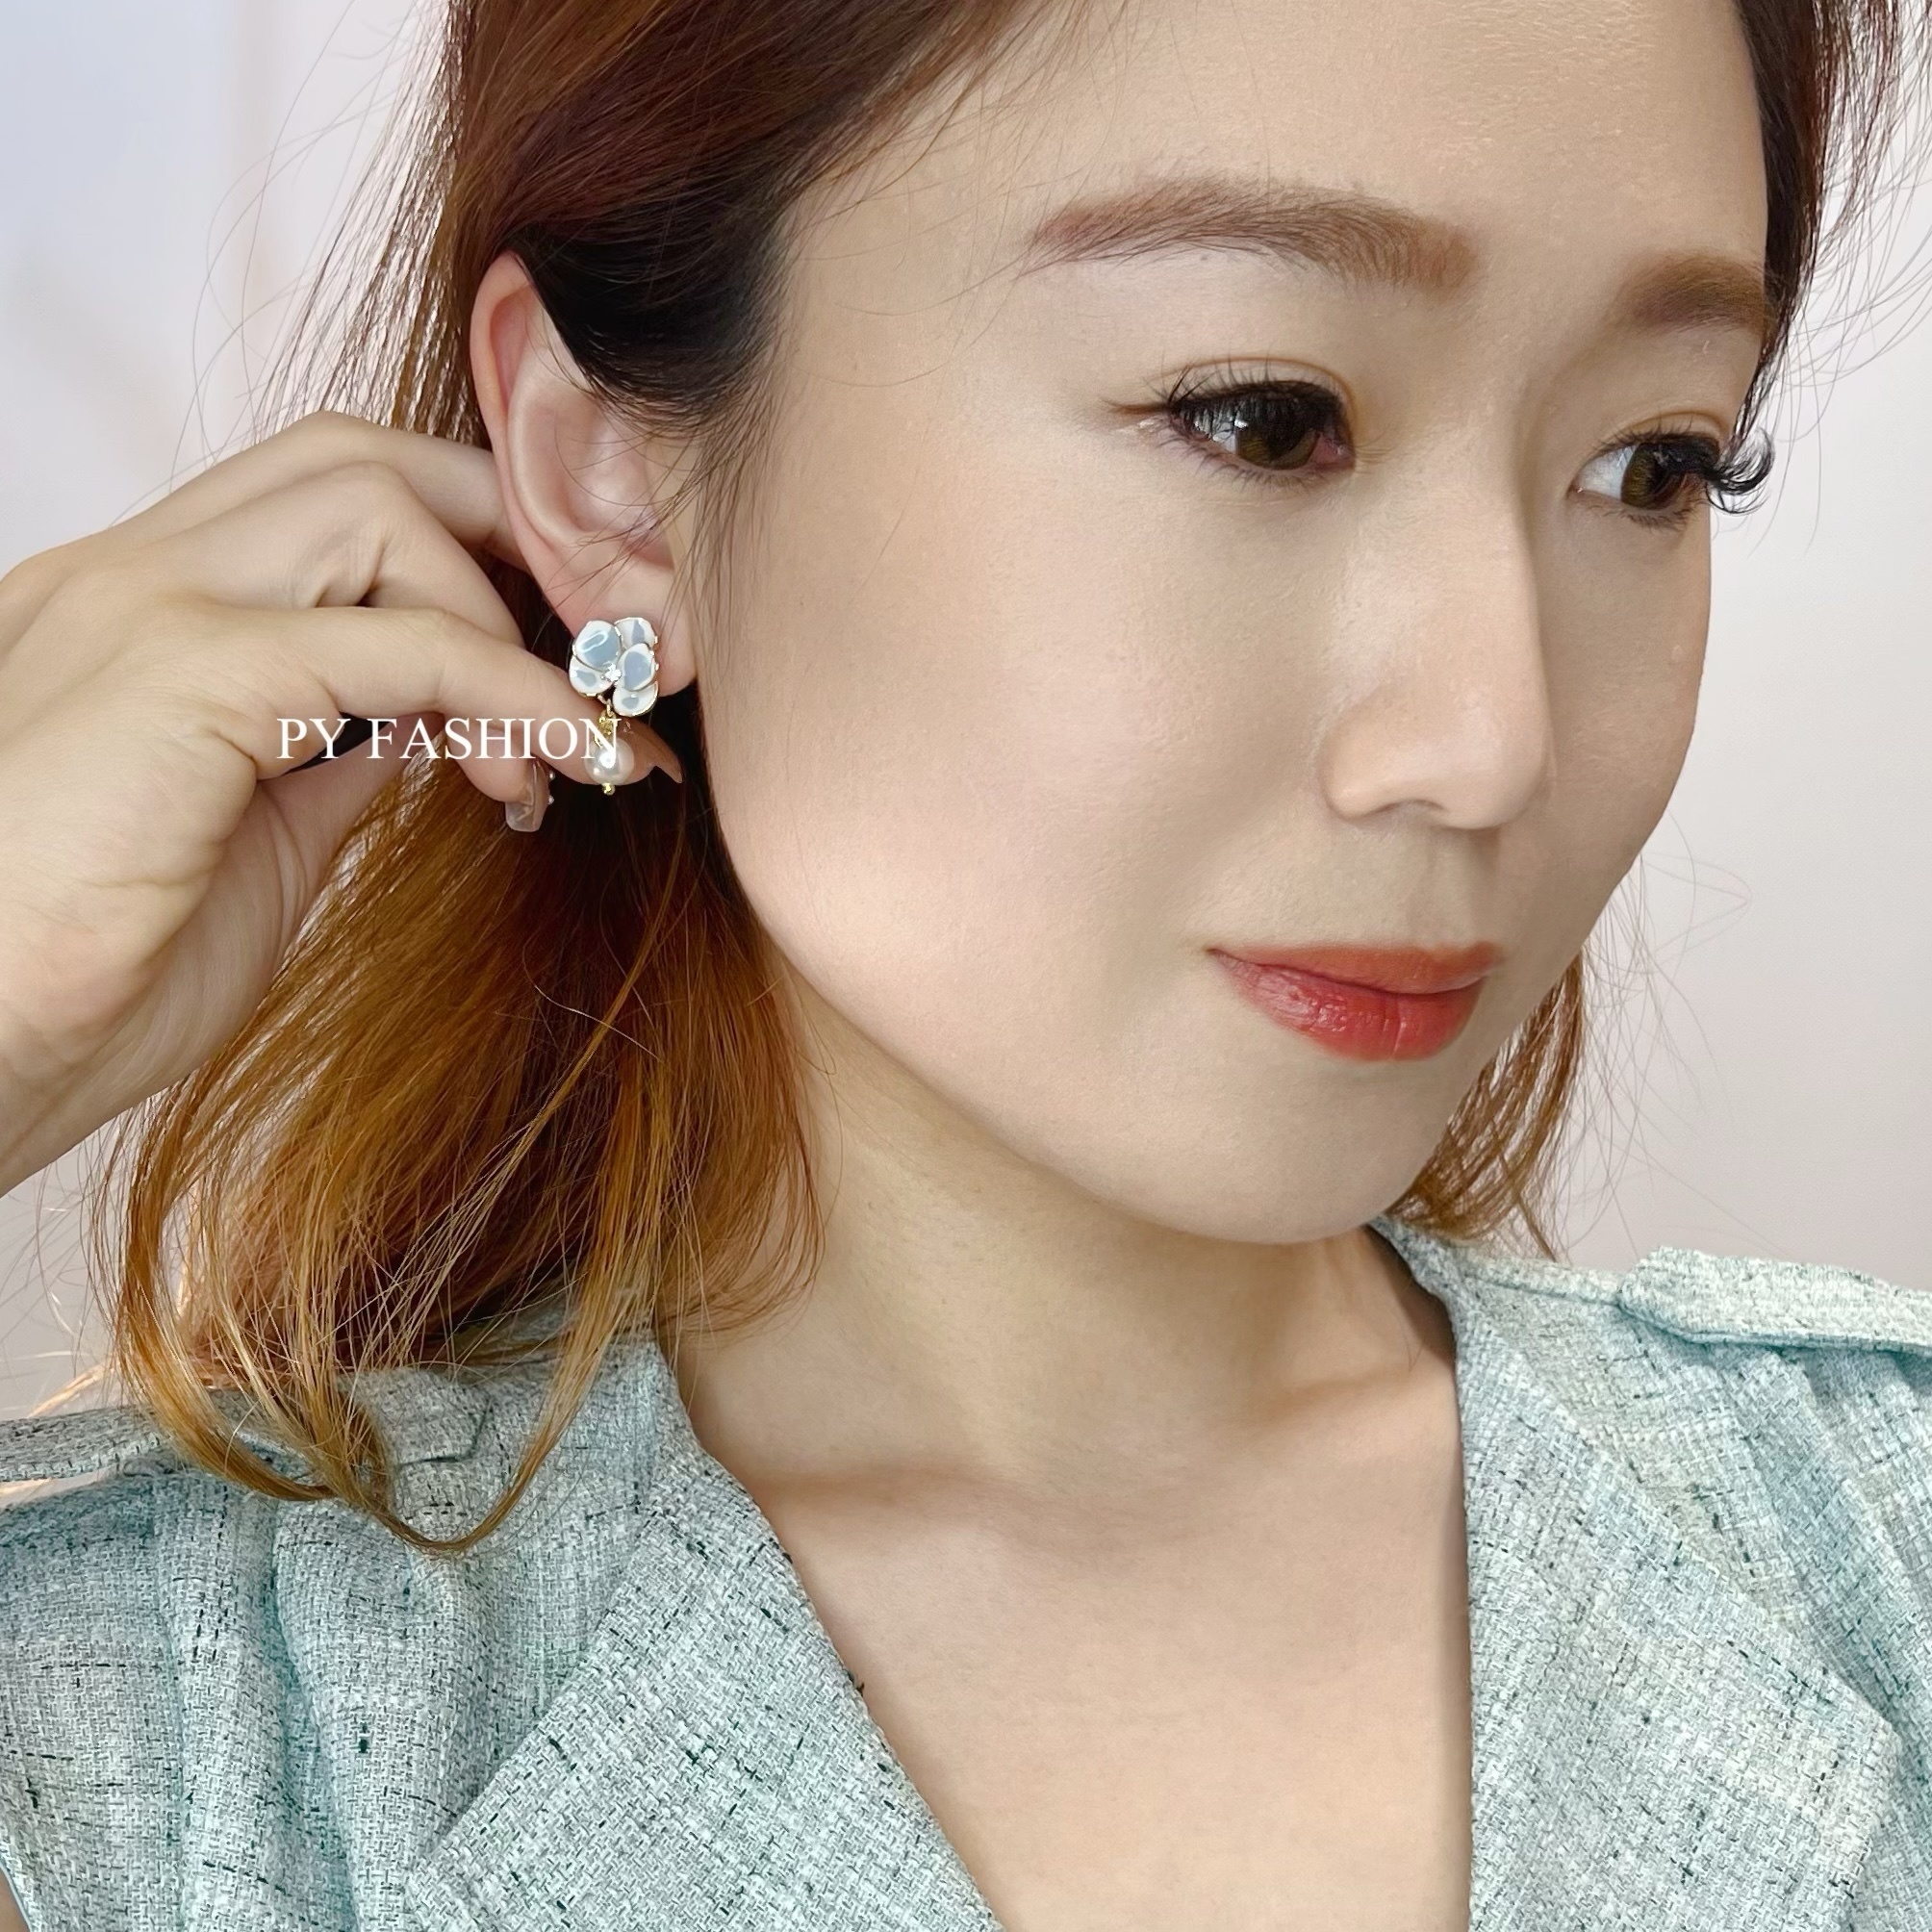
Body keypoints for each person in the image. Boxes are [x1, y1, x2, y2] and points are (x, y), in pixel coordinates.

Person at [0, 0, 1927, 1924]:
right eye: (1262, 417)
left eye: (1656, 464)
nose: (1490, 739)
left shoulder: (1878, 1536)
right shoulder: (133, 1733)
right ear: (612, 477)